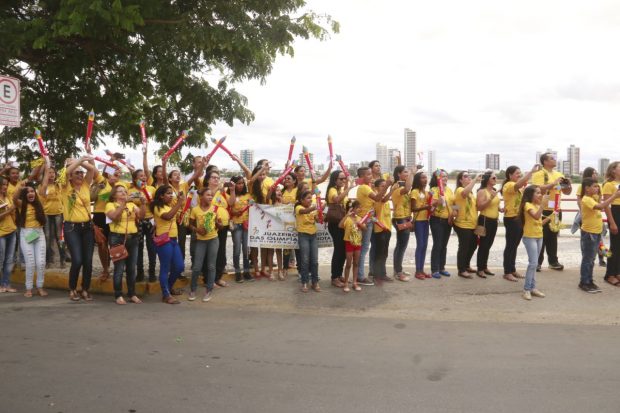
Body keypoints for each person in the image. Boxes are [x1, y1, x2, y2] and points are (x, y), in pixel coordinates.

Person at [58, 156, 96, 301]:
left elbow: (92, 169)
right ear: (70, 176)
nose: (80, 174)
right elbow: (65, 173)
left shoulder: (86, 184)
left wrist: (82, 162)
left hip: (87, 227)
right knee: (78, 260)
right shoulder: (65, 186)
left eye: (81, 172)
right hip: (71, 227)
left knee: (88, 261)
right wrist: (77, 161)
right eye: (77, 172)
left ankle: (85, 289)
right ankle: (72, 288)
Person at [578, 178, 620, 292]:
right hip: (589, 234)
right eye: (594, 186)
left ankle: (589, 281)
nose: (597, 188)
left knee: (592, 259)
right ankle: (584, 282)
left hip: (596, 234)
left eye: (598, 186)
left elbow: (601, 198)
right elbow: (601, 207)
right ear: (587, 188)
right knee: (588, 259)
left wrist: (607, 183)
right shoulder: (586, 199)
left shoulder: (593, 198)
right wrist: (614, 196)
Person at [105, 185, 145, 304]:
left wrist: (143, 204)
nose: (123, 193)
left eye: (125, 191)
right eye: (120, 191)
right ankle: (118, 295)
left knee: (132, 268)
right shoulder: (110, 205)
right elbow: (114, 216)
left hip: (132, 237)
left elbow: (141, 216)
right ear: (114, 194)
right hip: (117, 237)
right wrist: (123, 204)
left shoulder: (132, 205)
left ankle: (132, 294)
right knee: (119, 268)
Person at [532, 152, 571, 271]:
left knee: (553, 235)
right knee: (541, 235)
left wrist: (567, 186)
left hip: (556, 209)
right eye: (552, 158)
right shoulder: (539, 173)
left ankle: (553, 261)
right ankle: (537, 262)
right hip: (543, 209)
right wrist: (554, 183)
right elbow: (537, 188)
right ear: (545, 161)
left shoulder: (559, 174)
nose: (555, 160)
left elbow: (564, 191)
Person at [501, 165, 537, 281]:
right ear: (510, 175)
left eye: (520, 173)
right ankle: (507, 272)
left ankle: (512, 269)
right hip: (511, 219)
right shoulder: (508, 185)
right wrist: (531, 171)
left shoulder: (517, 187)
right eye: (517, 173)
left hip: (518, 219)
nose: (519, 175)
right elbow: (518, 185)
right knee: (510, 246)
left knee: (515, 246)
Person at [355, 167, 390, 286]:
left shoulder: (368, 187)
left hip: (368, 220)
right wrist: (387, 186)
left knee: (364, 248)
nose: (371, 176)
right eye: (368, 174)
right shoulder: (364, 187)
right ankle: (360, 276)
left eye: (371, 174)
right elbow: (377, 198)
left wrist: (388, 188)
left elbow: (381, 199)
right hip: (364, 221)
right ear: (362, 177)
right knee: (363, 249)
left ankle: (361, 274)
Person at [151, 185, 186, 304]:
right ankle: (166, 295)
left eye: (172, 193)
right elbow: (168, 217)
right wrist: (179, 203)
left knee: (179, 266)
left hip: (173, 240)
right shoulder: (157, 207)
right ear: (161, 196)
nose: (171, 195)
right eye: (168, 193)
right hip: (164, 241)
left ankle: (168, 288)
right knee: (165, 268)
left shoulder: (168, 206)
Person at [519, 185, 554, 300]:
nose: (540, 195)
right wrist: (543, 205)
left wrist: (551, 217)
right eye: (538, 193)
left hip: (539, 236)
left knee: (534, 264)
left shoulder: (537, 205)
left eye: (540, 193)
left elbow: (539, 222)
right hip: (530, 237)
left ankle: (533, 288)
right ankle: (526, 289)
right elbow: (536, 216)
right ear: (531, 195)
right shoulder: (527, 205)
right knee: (533, 263)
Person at [14, 180, 47, 298]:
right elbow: (14, 198)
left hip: (39, 234)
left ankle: (40, 287)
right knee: (31, 263)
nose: (30, 193)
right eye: (27, 192)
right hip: (26, 234)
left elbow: (44, 184)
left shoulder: (40, 202)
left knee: (41, 262)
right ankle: (28, 289)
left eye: (32, 191)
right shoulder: (21, 204)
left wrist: (47, 166)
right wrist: (20, 188)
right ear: (24, 195)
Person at [188, 188, 223, 302]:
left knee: (211, 266)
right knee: (197, 267)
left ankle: (209, 290)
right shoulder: (195, 210)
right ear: (201, 196)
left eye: (211, 195)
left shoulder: (215, 208)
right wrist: (197, 230)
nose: (210, 197)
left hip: (213, 239)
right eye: (208, 195)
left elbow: (220, 226)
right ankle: (193, 289)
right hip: (200, 241)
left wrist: (219, 224)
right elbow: (190, 225)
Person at [91, 167, 126, 281]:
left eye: (118, 173)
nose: (117, 175)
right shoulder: (102, 180)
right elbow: (95, 169)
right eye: (114, 173)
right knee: (102, 244)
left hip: (114, 214)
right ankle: (105, 269)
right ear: (108, 173)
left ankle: (117, 269)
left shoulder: (121, 185)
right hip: (100, 215)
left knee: (115, 243)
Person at [126, 170, 156, 282]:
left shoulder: (152, 189)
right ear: (135, 179)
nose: (143, 178)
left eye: (144, 176)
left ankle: (152, 272)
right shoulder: (130, 191)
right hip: (137, 222)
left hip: (150, 221)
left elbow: (156, 205)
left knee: (152, 248)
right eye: (140, 176)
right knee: (138, 248)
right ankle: (140, 272)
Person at [575, 167, 606, 267]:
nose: (596, 175)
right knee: (588, 240)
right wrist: (583, 212)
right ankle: (587, 259)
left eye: (596, 173)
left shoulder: (598, 187)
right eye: (594, 173)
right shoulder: (583, 186)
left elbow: (599, 202)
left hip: (596, 214)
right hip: (586, 214)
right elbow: (579, 200)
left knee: (600, 239)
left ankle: (602, 258)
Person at [453, 172, 481, 279]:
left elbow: (475, 208)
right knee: (464, 247)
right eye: (465, 176)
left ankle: (467, 265)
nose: (468, 177)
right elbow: (464, 194)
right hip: (463, 224)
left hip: (472, 224)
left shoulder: (471, 193)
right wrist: (474, 179)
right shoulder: (460, 190)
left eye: (469, 176)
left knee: (473, 245)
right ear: (460, 180)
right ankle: (461, 269)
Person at [326, 170, 350, 288]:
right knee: (338, 250)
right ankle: (334, 277)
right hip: (335, 224)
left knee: (342, 250)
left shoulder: (339, 190)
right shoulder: (332, 190)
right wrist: (348, 188)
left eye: (344, 178)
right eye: (341, 179)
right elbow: (336, 200)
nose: (343, 180)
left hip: (342, 223)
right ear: (334, 179)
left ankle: (339, 274)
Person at [475, 172, 500, 278]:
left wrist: (501, 209)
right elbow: (479, 207)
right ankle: (480, 269)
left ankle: (484, 266)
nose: (496, 179)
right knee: (483, 245)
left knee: (489, 245)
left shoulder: (494, 191)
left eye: (496, 177)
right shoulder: (482, 191)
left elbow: (494, 205)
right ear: (487, 179)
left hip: (494, 221)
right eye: (493, 177)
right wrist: (490, 198)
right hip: (485, 220)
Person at [429, 169, 454, 278]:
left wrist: (454, 213)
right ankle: (435, 269)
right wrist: (437, 201)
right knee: (438, 244)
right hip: (437, 220)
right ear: (437, 178)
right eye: (442, 176)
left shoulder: (449, 190)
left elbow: (453, 204)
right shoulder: (433, 189)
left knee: (444, 245)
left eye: (446, 176)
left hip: (447, 220)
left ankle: (442, 267)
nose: (445, 178)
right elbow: (431, 203)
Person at [391, 165, 414, 281]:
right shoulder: (397, 186)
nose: (407, 174)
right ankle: (398, 272)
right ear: (398, 174)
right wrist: (412, 174)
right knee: (401, 246)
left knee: (401, 245)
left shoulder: (402, 185)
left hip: (405, 217)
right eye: (405, 172)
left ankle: (397, 269)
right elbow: (407, 189)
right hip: (400, 218)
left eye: (408, 172)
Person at [40, 167, 66, 269]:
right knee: (47, 237)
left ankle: (62, 260)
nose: (51, 174)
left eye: (53, 173)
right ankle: (48, 260)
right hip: (46, 214)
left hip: (58, 214)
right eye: (49, 172)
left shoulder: (59, 185)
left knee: (60, 237)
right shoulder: (42, 186)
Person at [228, 175, 253, 283]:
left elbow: (253, 208)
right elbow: (229, 207)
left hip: (246, 225)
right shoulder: (230, 194)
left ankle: (247, 272)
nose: (240, 185)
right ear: (233, 184)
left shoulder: (248, 195)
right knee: (237, 249)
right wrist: (234, 212)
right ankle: (238, 272)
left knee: (246, 250)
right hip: (236, 225)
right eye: (238, 183)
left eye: (242, 183)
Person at [370, 178, 396, 282]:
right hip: (379, 229)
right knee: (379, 253)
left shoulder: (384, 197)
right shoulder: (376, 198)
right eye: (382, 186)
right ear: (376, 188)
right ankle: (377, 275)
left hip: (387, 228)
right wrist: (391, 190)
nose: (384, 187)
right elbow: (383, 199)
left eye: (385, 185)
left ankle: (383, 273)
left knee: (384, 253)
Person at [295, 190, 320, 292]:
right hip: (303, 236)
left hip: (313, 235)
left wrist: (320, 214)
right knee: (305, 260)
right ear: (302, 200)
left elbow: (318, 220)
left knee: (314, 261)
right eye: (308, 198)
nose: (310, 200)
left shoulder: (312, 209)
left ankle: (315, 282)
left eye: (311, 198)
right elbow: (304, 212)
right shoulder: (298, 207)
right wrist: (315, 207)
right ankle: (304, 282)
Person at [410, 171, 432, 279]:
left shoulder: (427, 192)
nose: (425, 179)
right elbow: (412, 208)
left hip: (425, 221)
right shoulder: (414, 191)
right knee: (420, 245)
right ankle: (417, 271)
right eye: (423, 178)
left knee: (424, 246)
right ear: (418, 179)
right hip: (418, 221)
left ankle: (422, 270)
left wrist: (434, 205)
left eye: (426, 178)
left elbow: (430, 206)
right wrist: (426, 207)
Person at [339, 200, 363, 292]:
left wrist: (360, 225)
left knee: (356, 263)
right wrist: (347, 215)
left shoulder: (360, 218)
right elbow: (340, 225)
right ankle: (346, 283)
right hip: (349, 242)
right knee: (348, 264)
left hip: (358, 243)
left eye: (359, 207)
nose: (359, 209)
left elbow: (364, 228)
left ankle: (354, 282)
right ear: (352, 208)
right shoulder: (348, 219)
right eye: (357, 207)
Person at [602, 162, 620, 286]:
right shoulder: (608, 185)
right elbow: (607, 206)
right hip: (615, 212)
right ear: (613, 170)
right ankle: (610, 274)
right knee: (615, 245)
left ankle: (618, 272)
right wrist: (612, 223)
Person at [0, 177, 17, 293]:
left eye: (6, 184)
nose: (5, 187)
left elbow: (13, 212)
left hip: (12, 231)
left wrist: (13, 211)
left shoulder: (8, 197)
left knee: (9, 260)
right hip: (1, 233)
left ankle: (6, 284)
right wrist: (9, 211)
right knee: (1, 260)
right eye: (3, 185)